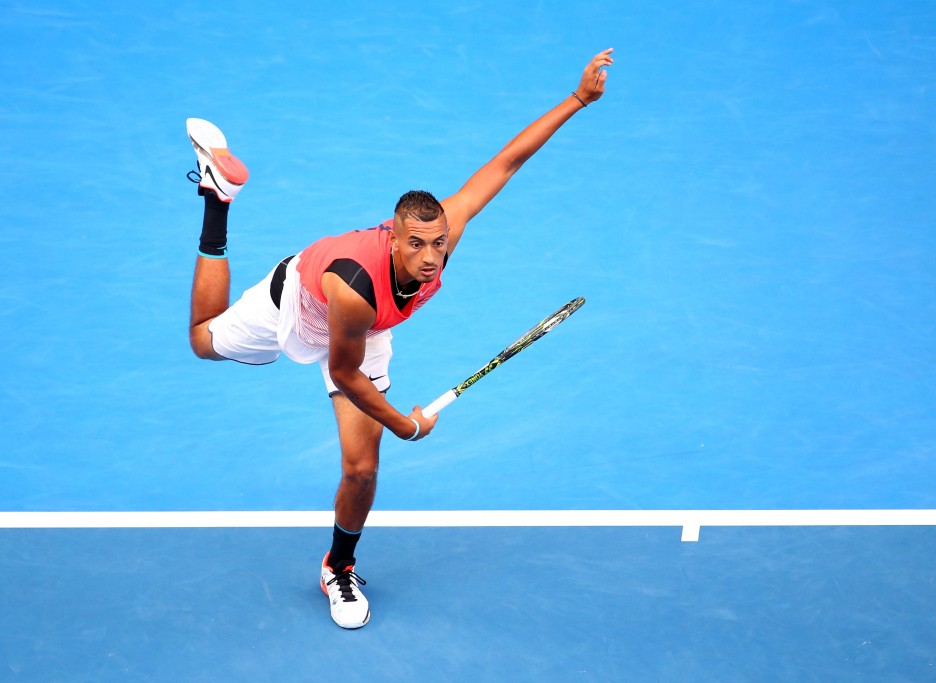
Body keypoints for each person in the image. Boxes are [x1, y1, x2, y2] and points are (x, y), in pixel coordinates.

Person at [185, 49, 614, 629]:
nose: (432, 257)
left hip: (369, 333)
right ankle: (217, 199)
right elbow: (343, 373)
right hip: (303, 303)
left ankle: (339, 566)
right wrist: (404, 422)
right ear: (392, 240)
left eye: (438, 243)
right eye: (418, 245)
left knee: (361, 469)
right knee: (203, 341)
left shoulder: (440, 235)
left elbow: (506, 164)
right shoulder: (357, 288)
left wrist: (579, 99)